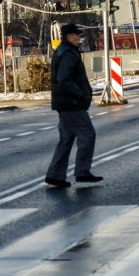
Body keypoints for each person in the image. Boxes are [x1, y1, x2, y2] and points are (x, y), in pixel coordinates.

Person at [45, 23, 102, 187]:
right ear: (69, 36)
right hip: (71, 103)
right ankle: (82, 171)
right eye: (77, 35)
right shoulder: (68, 53)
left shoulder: (63, 51)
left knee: (66, 138)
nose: (79, 38)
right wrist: (80, 94)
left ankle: (55, 175)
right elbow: (64, 79)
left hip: (65, 102)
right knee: (87, 134)